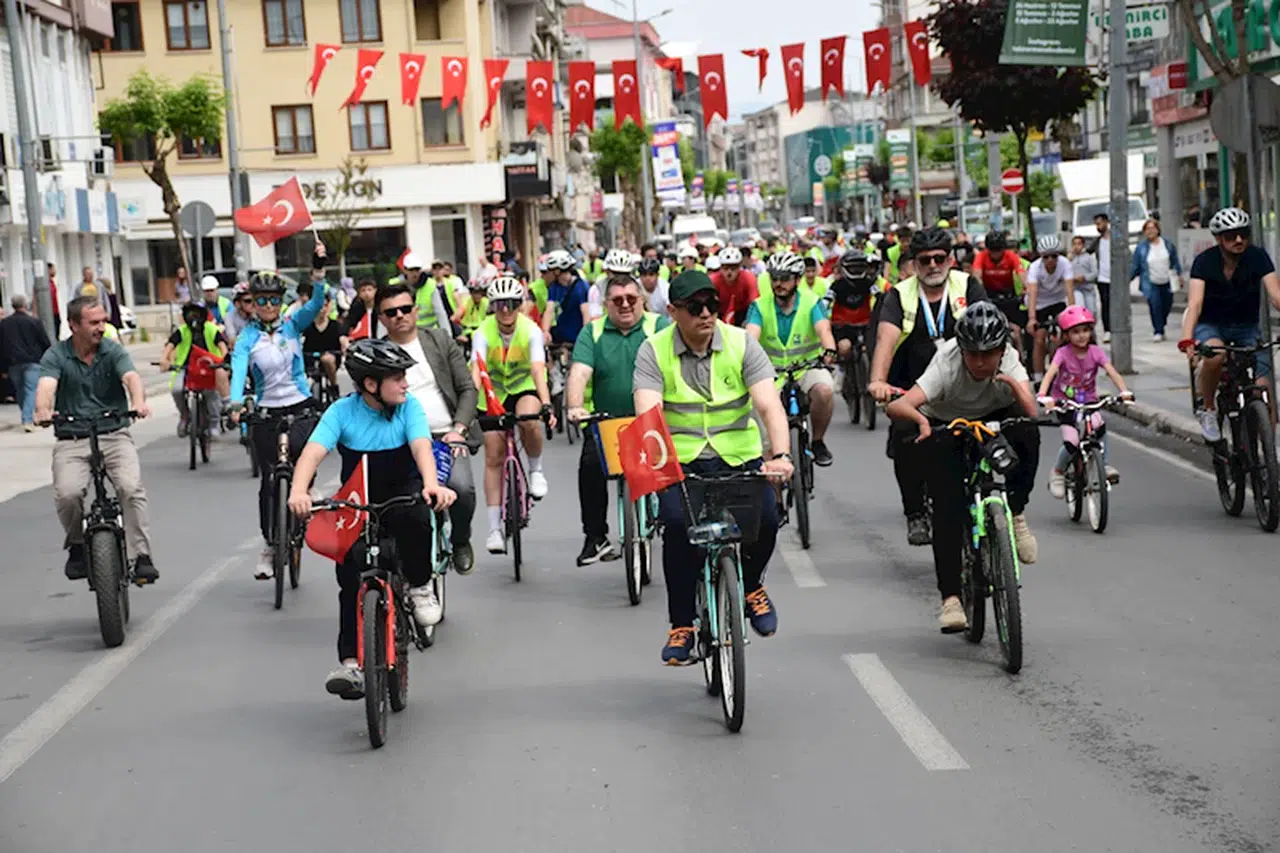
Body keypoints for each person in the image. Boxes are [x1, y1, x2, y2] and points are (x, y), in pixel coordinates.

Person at [632, 271, 792, 664]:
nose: (706, 314)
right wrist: (658, 472)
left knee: (767, 520)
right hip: (682, 462)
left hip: (738, 457)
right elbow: (648, 417)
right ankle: (681, 625)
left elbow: (769, 405)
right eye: (694, 307)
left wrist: (781, 456)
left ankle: (752, 586)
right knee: (675, 527)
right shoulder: (653, 350)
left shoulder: (741, 344)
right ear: (673, 312)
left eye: (712, 305)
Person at [287, 339, 456, 698]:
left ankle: (420, 585)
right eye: (397, 378)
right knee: (349, 573)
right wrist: (299, 492)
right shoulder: (340, 412)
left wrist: (431, 486)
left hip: (404, 488)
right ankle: (350, 664)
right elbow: (312, 454)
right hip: (358, 497)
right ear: (370, 384)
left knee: (415, 519)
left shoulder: (410, 408)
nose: (405, 384)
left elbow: (421, 447)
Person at [885, 301, 1040, 631]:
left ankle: (1017, 512)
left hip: (993, 417)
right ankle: (951, 599)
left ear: (1002, 349)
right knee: (948, 509)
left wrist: (1011, 382)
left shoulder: (1008, 359)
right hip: (945, 421)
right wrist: (922, 423)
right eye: (974, 354)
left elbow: (1031, 411)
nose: (981, 362)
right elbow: (899, 406)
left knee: (1028, 433)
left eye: (990, 353)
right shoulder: (947, 363)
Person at [870, 227, 988, 546]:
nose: (934, 265)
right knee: (905, 434)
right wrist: (879, 381)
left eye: (940, 258)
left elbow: (990, 330)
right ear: (915, 263)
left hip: (966, 384)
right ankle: (916, 513)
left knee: (1005, 429)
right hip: (915, 388)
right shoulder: (899, 295)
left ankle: (1004, 504)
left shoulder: (968, 286)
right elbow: (886, 339)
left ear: (950, 260)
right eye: (925, 260)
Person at [34, 296, 158, 583]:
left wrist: (138, 402)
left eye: (103, 321)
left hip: (114, 433)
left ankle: (141, 556)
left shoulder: (112, 351)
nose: (102, 327)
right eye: (94, 322)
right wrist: (42, 410)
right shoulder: (57, 355)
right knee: (68, 493)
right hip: (72, 437)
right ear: (73, 325)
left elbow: (131, 378)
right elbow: (46, 386)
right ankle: (77, 544)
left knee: (130, 488)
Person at [228, 245, 329, 579]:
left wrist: (318, 269)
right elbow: (239, 367)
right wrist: (235, 402)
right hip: (267, 411)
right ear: (252, 304)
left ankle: (308, 486)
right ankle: (271, 546)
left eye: (274, 300)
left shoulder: (291, 325)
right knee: (270, 481)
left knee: (306, 455)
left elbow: (315, 303)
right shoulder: (247, 337)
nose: (268, 306)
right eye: (262, 300)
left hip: (299, 403)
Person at [376, 281, 480, 574]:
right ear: (382, 318)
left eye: (405, 309)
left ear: (416, 310)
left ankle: (461, 539)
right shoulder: (376, 351)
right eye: (391, 312)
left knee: (461, 489)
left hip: (445, 435)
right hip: (398, 440)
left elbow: (467, 389)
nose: (399, 316)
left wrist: (458, 429)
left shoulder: (440, 341)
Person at [565, 273, 668, 564]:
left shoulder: (658, 326)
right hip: (606, 422)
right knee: (589, 465)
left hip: (652, 420)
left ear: (642, 301)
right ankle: (595, 537)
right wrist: (574, 406)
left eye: (632, 299)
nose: (625, 305)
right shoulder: (593, 332)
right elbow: (580, 372)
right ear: (607, 304)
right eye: (618, 300)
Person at [1179, 207, 1280, 442]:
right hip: (1211, 325)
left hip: (1247, 328)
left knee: (1263, 389)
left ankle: (1268, 452)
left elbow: (1275, 294)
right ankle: (1208, 409)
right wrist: (1186, 338)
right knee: (1215, 356)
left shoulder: (1258, 257)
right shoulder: (1204, 262)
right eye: (1230, 235)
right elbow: (1195, 304)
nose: (1238, 240)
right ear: (1218, 238)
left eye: (1243, 234)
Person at [472, 275, 554, 553]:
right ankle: (494, 529)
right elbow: (477, 370)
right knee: (493, 456)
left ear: (520, 305)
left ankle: (536, 470)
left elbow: (537, 369)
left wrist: (546, 403)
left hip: (523, 387)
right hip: (492, 392)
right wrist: (469, 405)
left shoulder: (530, 330)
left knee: (529, 420)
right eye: (499, 304)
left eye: (511, 304)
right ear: (492, 306)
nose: (505, 310)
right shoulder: (482, 331)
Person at [745, 253, 838, 466]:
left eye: (785, 278)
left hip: (807, 367)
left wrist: (830, 349)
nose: (779, 284)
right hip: (771, 373)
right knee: (764, 420)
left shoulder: (812, 302)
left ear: (797, 279)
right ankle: (776, 494)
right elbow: (751, 336)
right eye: (775, 278)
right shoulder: (759, 306)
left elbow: (824, 329)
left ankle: (818, 441)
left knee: (824, 390)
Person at [1036, 305, 1133, 497]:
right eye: (1075, 332)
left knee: (1099, 426)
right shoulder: (1062, 354)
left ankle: (1103, 465)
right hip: (1065, 404)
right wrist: (1043, 396)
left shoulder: (1096, 352)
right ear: (1066, 335)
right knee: (1071, 441)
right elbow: (1050, 375)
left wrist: (1124, 391)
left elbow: (1112, 372)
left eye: (1086, 330)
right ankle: (1057, 472)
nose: (1081, 336)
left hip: (1088, 401)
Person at [159, 301, 230, 436]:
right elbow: (170, 345)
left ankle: (214, 423)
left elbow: (222, 346)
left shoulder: (211, 329)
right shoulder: (182, 331)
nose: (193, 317)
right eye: (190, 313)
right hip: (185, 368)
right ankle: (185, 416)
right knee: (177, 390)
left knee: (211, 393)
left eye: (196, 313)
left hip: (209, 367)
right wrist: (164, 359)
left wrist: (224, 360)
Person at [1024, 235, 1077, 378]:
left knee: (1062, 336)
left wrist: (1073, 314)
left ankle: (1060, 371)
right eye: (1046, 257)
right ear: (1041, 257)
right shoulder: (1035, 267)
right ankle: (1039, 376)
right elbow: (1032, 292)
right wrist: (1032, 318)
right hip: (1039, 303)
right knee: (1039, 338)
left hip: (1057, 301)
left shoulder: (1065, 264)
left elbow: (1069, 290)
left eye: (1054, 256)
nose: (1050, 260)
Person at [827, 250, 888, 371]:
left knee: (873, 348)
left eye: (859, 267)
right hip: (842, 326)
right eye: (853, 267)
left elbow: (880, 297)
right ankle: (843, 370)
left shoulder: (869, 283)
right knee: (844, 347)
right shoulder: (837, 285)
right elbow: (826, 300)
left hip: (865, 325)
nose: (856, 270)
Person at [0, 293, 52, 431]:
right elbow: (44, 342)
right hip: (32, 361)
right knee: (30, 390)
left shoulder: (4, 324)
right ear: (25, 305)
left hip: (13, 362)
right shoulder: (34, 322)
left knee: (20, 390)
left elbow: (1, 346)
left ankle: (26, 415)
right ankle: (27, 419)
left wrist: (3, 368)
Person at [973, 230, 1028, 354]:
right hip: (989, 296)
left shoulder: (1011, 256)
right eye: (992, 251)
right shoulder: (981, 257)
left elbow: (1021, 273)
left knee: (1017, 329)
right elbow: (977, 277)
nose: (996, 254)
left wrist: (1027, 289)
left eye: (999, 250)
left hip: (1009, 296)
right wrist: (979, 293)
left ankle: (1021, 355)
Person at [1130, 218, 1183, 342]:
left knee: (1167, 305)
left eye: (1152, 228)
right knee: (1155, 305)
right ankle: (1158, 330)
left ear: (1158, 229)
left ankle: (1161, 323)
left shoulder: (1168, 244)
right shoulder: (1141, 248)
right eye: (1147, 229)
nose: (1150, 231)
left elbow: (1174, 261)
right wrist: (1128, 278)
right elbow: (1135, 266)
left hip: (1167, 280)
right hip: (1151, 282)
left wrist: (1179, 275)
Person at [389, 251, 450, 332]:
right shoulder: (394, 285)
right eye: (411, 270)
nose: (414, 273)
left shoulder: (430, 285)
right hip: (403, 332)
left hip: (429, 332)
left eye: (417, 270)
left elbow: (440, 313)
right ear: (404, 270)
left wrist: (447, 336)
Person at [541, 249, 591, 346]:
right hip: (560, 336)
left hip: (577, 337)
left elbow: (586, 313)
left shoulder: (581, 287)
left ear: (557, 271)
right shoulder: (554, 287)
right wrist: (545, 331)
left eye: (550, 270)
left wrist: (585, 339)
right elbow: (549, 310)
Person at [300, 284, 343, 393]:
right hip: (310, 359)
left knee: (327, 359)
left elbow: (343, 339)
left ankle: (334, 386)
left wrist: (345, 345)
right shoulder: (306, 325)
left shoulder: (335, 325)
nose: (322, 309)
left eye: (324, 305)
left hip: (331, 359)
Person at [710, 246, 760, 326]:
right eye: (725, 268)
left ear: (739, 267)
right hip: (721, 312)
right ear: (720, 268)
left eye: (733, 268)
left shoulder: (748, 278)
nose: (729, 272)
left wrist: (751, 322)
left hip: (743, 312)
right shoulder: (713, 280)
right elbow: (709, 303)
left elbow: (755, 302)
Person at [588, 249, 636, 321]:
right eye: (616, 273)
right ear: (607, 271)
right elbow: (595, 318)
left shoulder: (637, 287)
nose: (620, 278)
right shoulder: (597, 290)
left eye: (625, 274)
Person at [1068, 234, 1099, 334]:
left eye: (1079, 244)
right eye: (1074, 244)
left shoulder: (1089, 258)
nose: (1077, 246)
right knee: (1080, 308)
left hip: (1088, 288)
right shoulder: (1069, 259)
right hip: (1076, 289)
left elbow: (1095, 273)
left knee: (1091, 310)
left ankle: (1091, 330)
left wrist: (1085, 277)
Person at [1092, 213, 1113, 342]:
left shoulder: (1115, 240)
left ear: (1106, 222)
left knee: (1115, 304)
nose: (1098, 227)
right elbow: (1086, 252)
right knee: (1105, 304)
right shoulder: (1097, 241)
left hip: (1115, 278)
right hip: (1102, 278)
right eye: (1096, 224)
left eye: (1100, 223)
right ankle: (1107, 330)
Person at [341, 278, 380, 346]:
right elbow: (349, 322)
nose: (366, 293)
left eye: (369, 290)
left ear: (375, 290)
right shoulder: (356, 308)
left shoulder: (380, 307)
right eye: (363, 290)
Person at [46, 262, 63, 337]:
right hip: (50, 313)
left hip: (55, 312)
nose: (55, 271)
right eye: (53, 269)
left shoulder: (52, 282)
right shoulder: (45, 284)